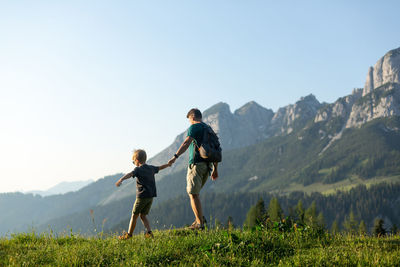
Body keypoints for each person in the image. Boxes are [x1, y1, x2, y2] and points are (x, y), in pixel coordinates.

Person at [168, 108, 219, 230]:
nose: (189, 123)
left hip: (196, 164)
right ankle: (199, 220)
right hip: (208, 166)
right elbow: (215, 149)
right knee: (195, 193)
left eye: (189, 120)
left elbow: (186, 143)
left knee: (193, 194)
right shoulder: (208, 128)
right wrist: (215, 169)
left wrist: (175, 157)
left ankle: (199, 224)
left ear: (192, 117)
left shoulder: (194, 127)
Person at [116, 149, 171, 239]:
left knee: (134, 215)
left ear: (137, 160)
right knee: (143, 215)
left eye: (133, 162)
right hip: (150, 196)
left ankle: (129, 235)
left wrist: (121, 179)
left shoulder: (138, 169)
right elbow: (160, 167)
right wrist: (168, 165)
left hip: (142, 197)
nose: (134, 163)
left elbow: (130, 174)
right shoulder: (151, 168)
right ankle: (149, 233)